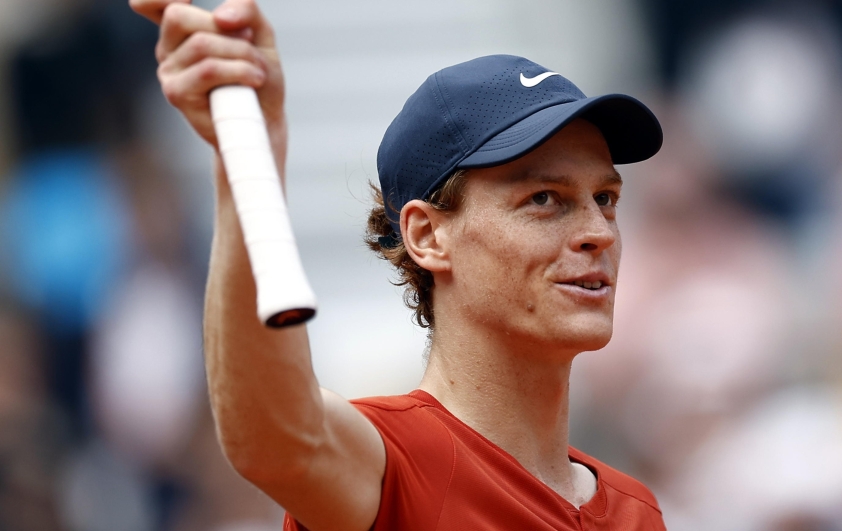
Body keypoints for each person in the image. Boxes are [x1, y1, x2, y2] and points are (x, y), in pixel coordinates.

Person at [129, 0, 666, 529]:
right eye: (545, 199)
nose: (599, 231)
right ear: (427, 236)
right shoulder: (393, 460)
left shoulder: (637, 511)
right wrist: (247, 155)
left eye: (606, 198)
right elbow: (273, 436)